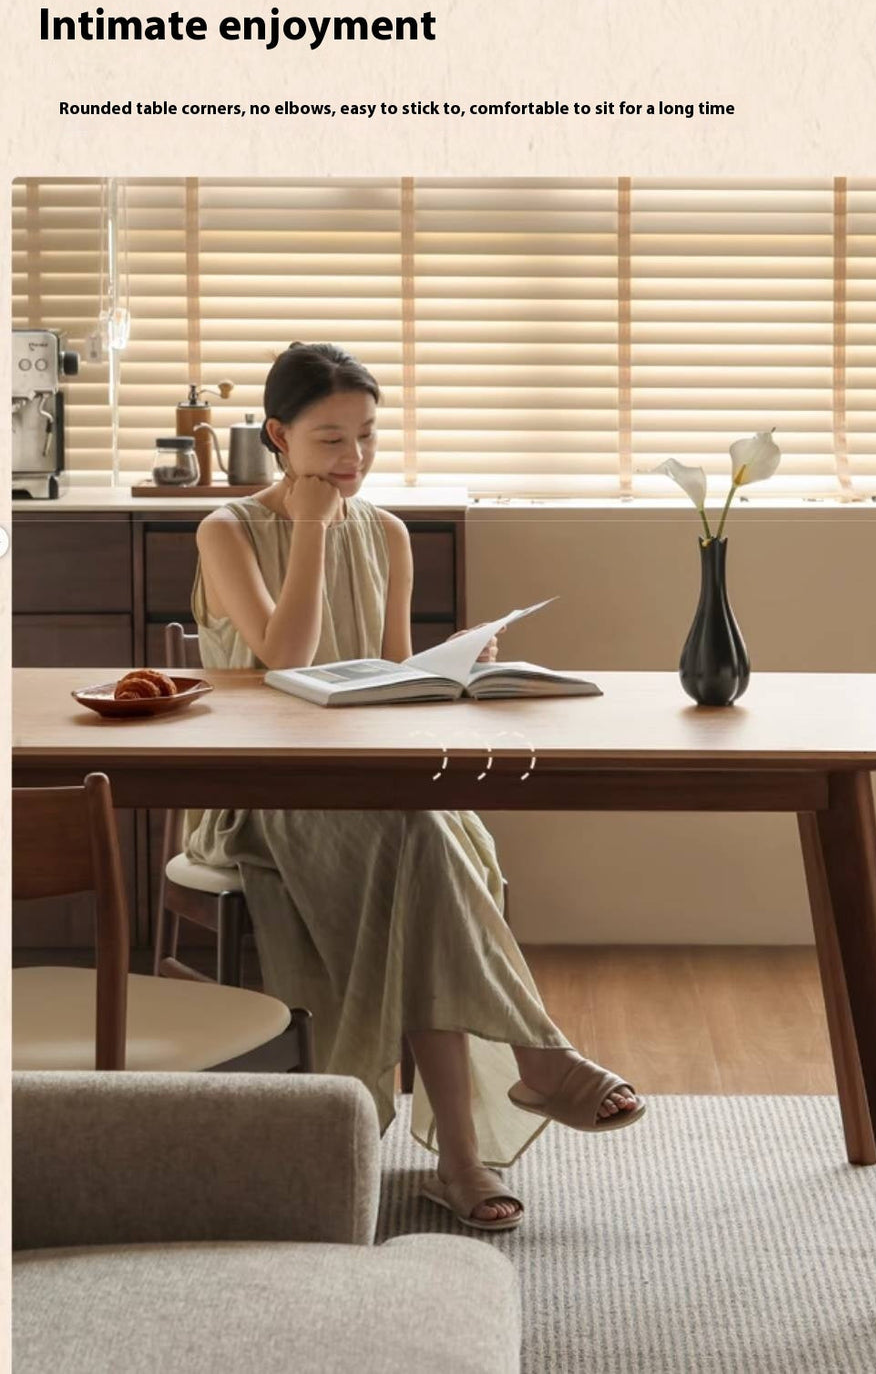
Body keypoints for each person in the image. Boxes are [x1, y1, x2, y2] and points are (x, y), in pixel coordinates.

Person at [184, 341, 645, 1231]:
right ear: (278, 436)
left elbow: (393, 681)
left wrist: (456, 665)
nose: (351, 460)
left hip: (377, 783)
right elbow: (285, 659)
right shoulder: (228, 530)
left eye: (364, 437)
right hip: (262, 792)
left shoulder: (389, 533)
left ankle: (472, 1152)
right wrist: (313, 530)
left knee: (422, 845)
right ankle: (528, 1075)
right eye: (328, 441)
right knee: (426, 844)